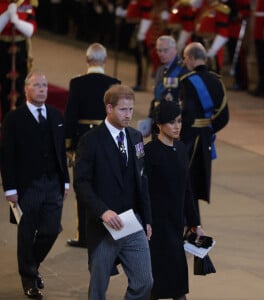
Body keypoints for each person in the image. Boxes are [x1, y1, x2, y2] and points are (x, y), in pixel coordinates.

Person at [73, 84, 153, 300]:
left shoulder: (136, 137)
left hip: (132, 222)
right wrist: (103, 212)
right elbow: (81, 183)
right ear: (109, 108)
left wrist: (146, 219)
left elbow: (142, 179)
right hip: (104, 228)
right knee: (98, 289)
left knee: (145, 282)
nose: (129, 115)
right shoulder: (90, 141)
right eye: (123, 110)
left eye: (131, 109)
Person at [0, 70, 70, 299]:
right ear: (26, 89)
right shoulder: (14, 118)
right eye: (37, 85)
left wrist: (66, 181)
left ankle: (31, 266)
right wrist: (9, 188)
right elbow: (7, 155)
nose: (42, 89)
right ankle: (29, 279)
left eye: (45, 85)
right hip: (27, 186)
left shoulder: (55, 115)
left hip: (53, 184)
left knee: (51, 230)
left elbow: (61, 151)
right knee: (26, 233)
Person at [144, 100, 205, 300]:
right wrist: (145, 221)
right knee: (157, 283)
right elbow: (143, 190)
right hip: (155, 227)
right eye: (171, 122)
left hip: (176, 225)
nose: (177, 126)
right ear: (159, 125)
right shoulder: (150, 152)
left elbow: (187, 190)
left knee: (179, 284)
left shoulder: (180, 150)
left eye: (179, 121)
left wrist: (195, 223)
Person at [64, 42, 121, 248]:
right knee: (107, 183)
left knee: (84, 185)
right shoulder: (115, 82)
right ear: (104, 60)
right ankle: (109, 228)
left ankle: (84, 236)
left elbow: (70, 116)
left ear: (87, 60)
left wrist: (68, 144)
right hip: (108, 137)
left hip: (83, 138)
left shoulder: (77, 83)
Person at [179, 42, 229, 213]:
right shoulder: (217, 81)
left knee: (186, 184)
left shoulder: (187, 82)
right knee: (198, 182)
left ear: (192, 58)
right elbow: (224, 116)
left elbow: (186, 114)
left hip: (189, 140)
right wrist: (207, 129)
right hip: (206, 140)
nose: (185, 62)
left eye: (185, 58)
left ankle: (191, 226)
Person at [138, 35, 187, 138]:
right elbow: (157, 98)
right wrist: (149, 118)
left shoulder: (183, 70)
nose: (161, 54)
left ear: (174, 49)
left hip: (172, 124)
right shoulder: (161, 69)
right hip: (159, 120)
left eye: (165, 50)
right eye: (159, 50)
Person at [0, 0, 37, 122]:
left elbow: (31, 29)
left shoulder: (25, 4)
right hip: (2, 48)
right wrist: (6, 15)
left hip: (21, 50)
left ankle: (20, 122)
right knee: (4, 86)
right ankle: (5, 120)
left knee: (22, 86)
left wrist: (16, 21)